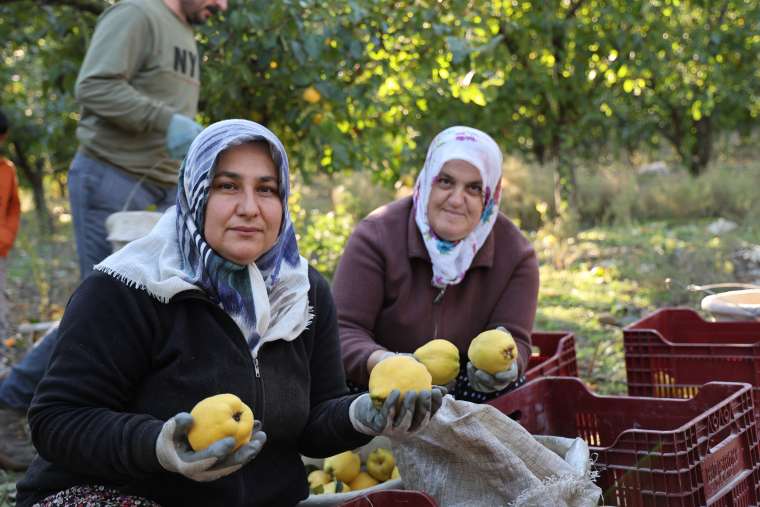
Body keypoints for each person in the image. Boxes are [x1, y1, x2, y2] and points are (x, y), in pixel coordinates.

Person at [16, 119, 444, 507]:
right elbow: (58, 419)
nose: (249, 207)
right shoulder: (128, 287)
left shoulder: (302, 293)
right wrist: (158, 445)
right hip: (116, 494)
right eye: (227, 186)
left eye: (266, 189)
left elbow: (313, 418)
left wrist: (361, 414)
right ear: (195, 192)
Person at [0, 0, 227, 469]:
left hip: (162, 188)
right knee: (108, 308)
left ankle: (123, 421)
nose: (220, 6)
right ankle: (13, 401)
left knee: (167, 302)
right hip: (112, 178)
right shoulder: (137, 14)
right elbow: (94, 87)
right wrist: (166, 121)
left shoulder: (185, 34)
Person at [333, 126, 540, 403]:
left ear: (490, 196)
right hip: (381, 380)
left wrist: (506, 367)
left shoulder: (516, 255)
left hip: (469, 389)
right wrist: (390, 364)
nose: (456, 200)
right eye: (445, 181)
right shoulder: (376, 237)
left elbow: (515, 339)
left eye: (474, 188)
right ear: (427, 180)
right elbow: (343, 330)